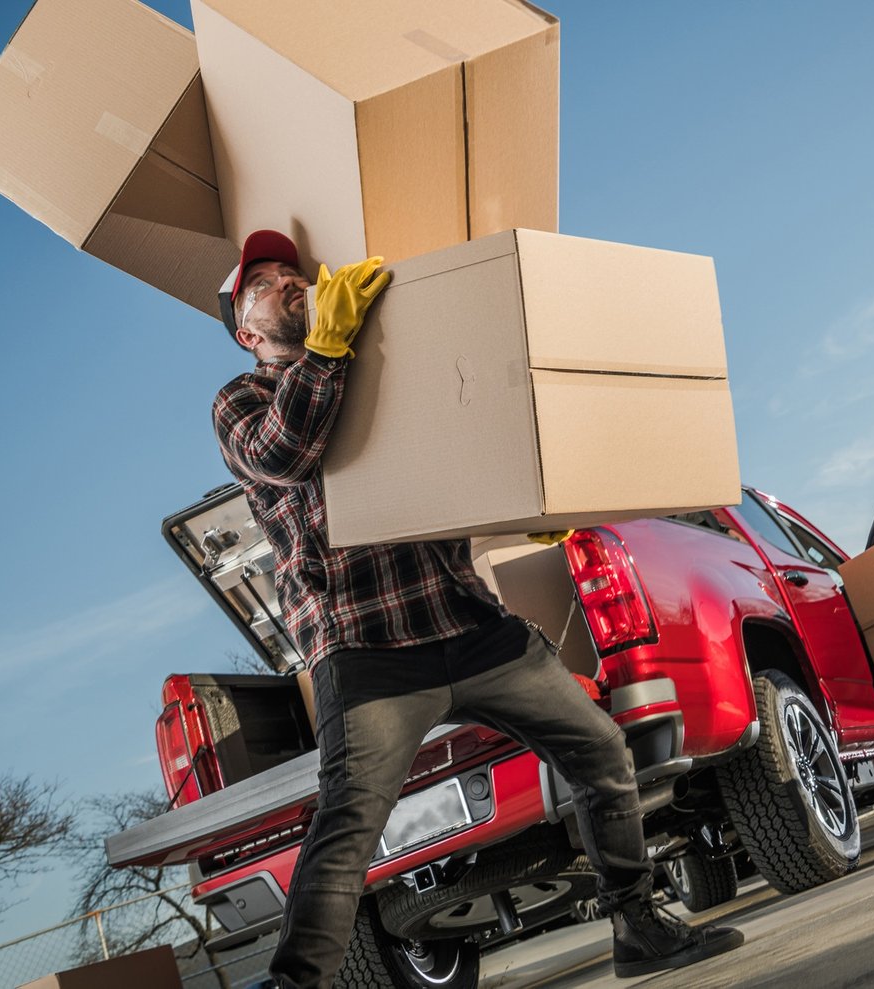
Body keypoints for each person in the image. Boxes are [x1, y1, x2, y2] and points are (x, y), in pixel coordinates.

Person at [212, 230, 743, 987]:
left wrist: (525, 503)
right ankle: (294, 984)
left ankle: (639, 925)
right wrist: (326, 351)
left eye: (293, 270)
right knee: (348, 826)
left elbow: (458, 455)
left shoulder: (381, 367)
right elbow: (286, 455)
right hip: (367, 649)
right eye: (264, 281)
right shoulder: (243, 399)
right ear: (248, 329)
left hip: (467, 619)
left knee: (600, 750)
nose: (288, 280)